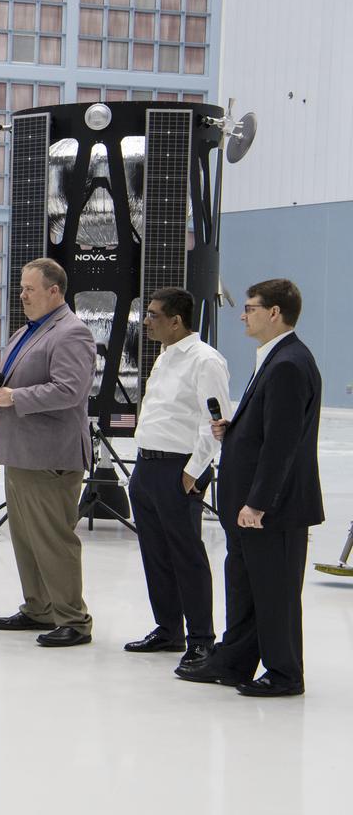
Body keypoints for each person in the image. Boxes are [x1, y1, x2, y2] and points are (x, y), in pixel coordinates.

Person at [177, 279, 322, 697]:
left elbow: (282, 445)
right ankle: (235, 662)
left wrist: (257, 503)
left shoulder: (289, 364)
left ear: (274, 313)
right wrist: (235, 430)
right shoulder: (276, 358)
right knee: (246, 587)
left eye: (250, 308)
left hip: (272, 509)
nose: (242, 315)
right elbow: (267, 428)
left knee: (274, 593)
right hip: (252, 506)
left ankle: (284, 673)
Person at [0, 258, 95, 647]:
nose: (23, 296)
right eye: (22, 288)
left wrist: (15, 397)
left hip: (51, 457)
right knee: (27, 539)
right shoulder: (26, 332)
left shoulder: (71, 333)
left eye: (30, 289)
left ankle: (73, 619)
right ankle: (39, 607)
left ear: (54, 291)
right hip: (21, 453)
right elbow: (10, 378)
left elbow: (70, 390)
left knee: (53, 540)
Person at [125, 287, 231, 666]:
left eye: (153, 315)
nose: (146, 321)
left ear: (176, 321)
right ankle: (168, 629)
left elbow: (215, 422)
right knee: (155, 553)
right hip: (147, 466)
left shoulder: (205, 361)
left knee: (187, 556)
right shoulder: (165, 355)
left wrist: (193, 472)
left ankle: (201, 639)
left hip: (179, 468)